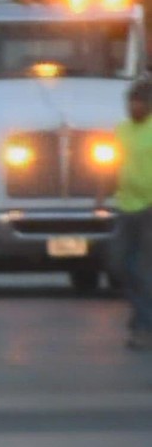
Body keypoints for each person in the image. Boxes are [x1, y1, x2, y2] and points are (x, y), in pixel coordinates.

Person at [99, 78, 152, 350]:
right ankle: (143, 317)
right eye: (131, 102)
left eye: (139, 102)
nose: (134, 107)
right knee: (118, 264)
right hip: (125, 205)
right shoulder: (122, 130)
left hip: (149, 209)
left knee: (143, 270)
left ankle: (142, 327)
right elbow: (113, 163)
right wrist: (102, 190)